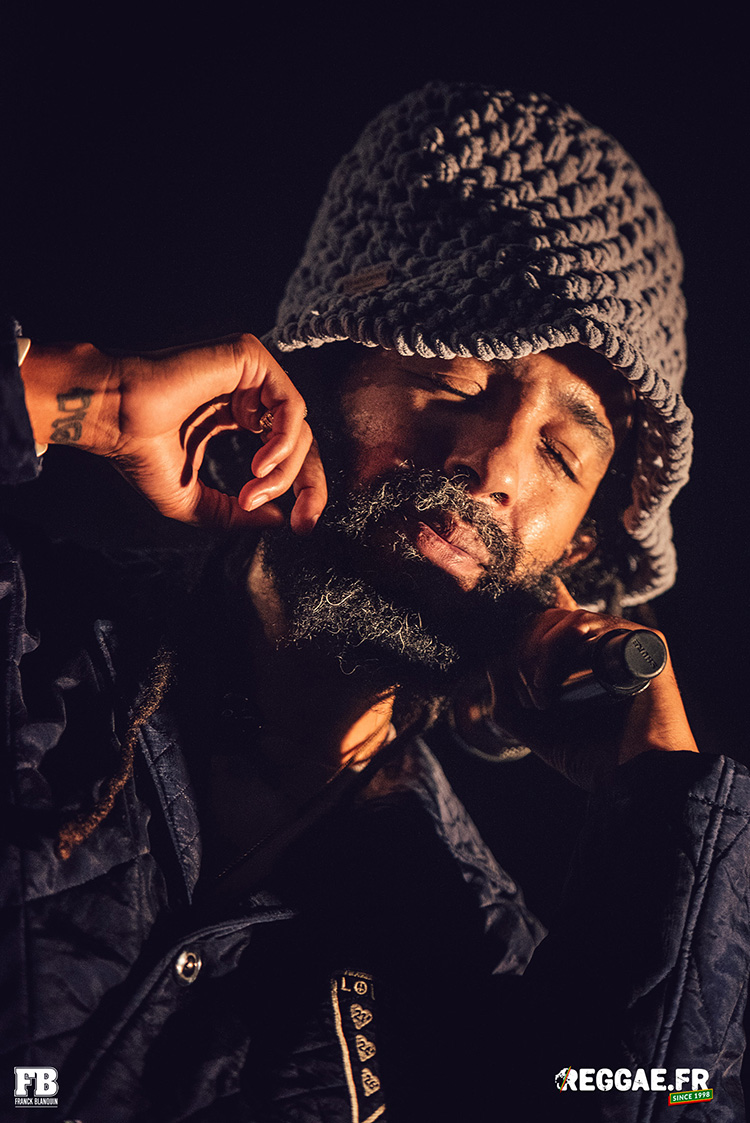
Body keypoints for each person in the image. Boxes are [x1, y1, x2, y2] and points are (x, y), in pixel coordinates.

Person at [2, 81, 748, 1122]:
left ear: (576, 550)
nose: (495, 466)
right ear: (318, 370)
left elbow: (677, 1095)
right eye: (458, 377)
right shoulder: (32, 631)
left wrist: (662, 805)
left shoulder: (477, 962)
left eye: (560, 453)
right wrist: (68, 396)